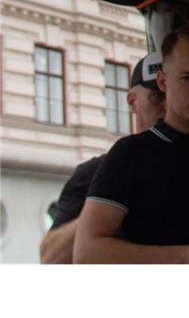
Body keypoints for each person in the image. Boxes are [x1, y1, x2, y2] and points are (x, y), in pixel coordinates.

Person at [73, 25, 189, 263]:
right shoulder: (130, 153)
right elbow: (87, 252)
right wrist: (184, 257)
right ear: (162, 82)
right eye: (187, 77)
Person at [38, 50, 166, 264]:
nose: (166, 106)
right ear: (133, 101)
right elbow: (51, 258)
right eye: (157, 96)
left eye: (173, 93)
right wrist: (106, 208)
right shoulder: (96, 172)